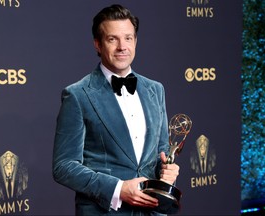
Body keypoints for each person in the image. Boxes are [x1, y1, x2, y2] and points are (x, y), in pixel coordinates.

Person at [52, 4, 180, 215]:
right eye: (113, 39)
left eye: (128, 38)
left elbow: (161, 152)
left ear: (136, 42)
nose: (122, 46)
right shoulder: (78, 95)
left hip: (152, 210)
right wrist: (119, 189)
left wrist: (167, 171)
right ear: (98, 44)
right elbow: (64, 166)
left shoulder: (155, 90)